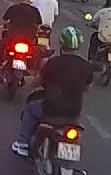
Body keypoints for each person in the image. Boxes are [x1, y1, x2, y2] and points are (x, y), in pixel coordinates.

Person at [10, 26, 94, 157]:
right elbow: (87, 88)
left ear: (61, 44)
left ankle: (23, 143)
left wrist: (29, 83)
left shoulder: (53, 62)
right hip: (74, 111)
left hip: (50, 108)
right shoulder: (87, 66)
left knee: (30, 109)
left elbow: (37, 82)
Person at [0, 0, 42, 75]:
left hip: (12, 38)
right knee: (37, 51)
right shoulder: (35, 11)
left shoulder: (13, 8)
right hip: (29, 40)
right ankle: (31, 69)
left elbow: (4, 21)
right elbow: (39, 25)